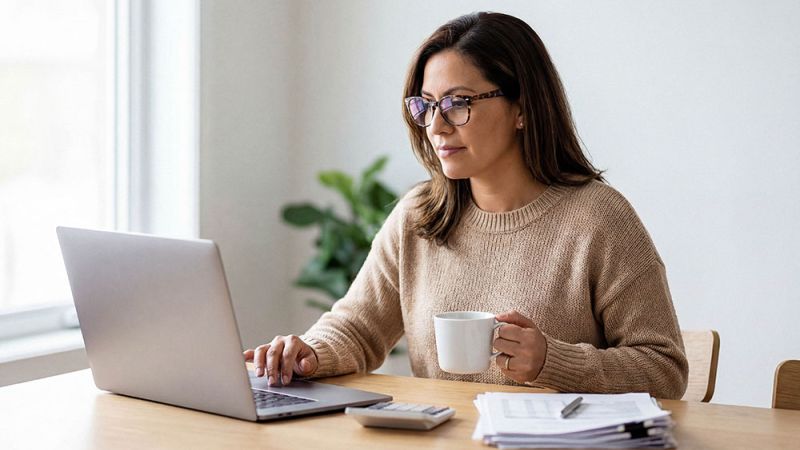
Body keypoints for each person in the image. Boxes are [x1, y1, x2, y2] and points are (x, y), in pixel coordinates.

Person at [244, 12, 688, 399]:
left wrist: (553, 361)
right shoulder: (420, 215)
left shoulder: (599, 219)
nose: (436, 126)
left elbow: (664, 368)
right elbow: (357, 328)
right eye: (427, 105)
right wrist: (308, 353)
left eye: (458, 103)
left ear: (523, 108)